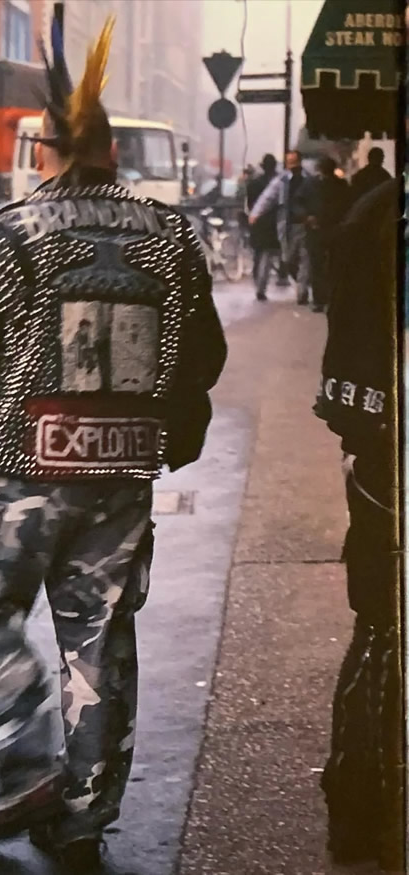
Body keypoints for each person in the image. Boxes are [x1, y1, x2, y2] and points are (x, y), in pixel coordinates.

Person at [0, 15, 227, 874]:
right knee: (100, 638)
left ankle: (25, 761)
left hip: (15, 471)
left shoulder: (4, 234)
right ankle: (83, 817)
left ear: (48, 151)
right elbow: (204, 356)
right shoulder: (173, 238)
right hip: (120, 473)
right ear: (113, 152)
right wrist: (173, 431)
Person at [314, 178, 404, 873]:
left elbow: (344, 345)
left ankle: (359, 811)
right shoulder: (377, 217)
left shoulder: (375, 213)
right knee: (380, 624)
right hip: (384, 457)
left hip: (380, 455)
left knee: (378, 625)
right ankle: (360, 806)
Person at [249, 149, 311, 304]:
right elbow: (268, 197)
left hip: (304, 224)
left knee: (304, 258)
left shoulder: (308, 179)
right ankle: (300, 288)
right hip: (287, 224)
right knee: (289, 259)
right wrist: (256, 213)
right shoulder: (282, 180)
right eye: (289, 162)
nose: (292, 165)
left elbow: (267, 198)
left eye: (293, 162)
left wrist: (255, 214)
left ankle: (302, 292)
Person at [298, 156, 350, 313]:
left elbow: (298, 203)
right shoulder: (339, 185)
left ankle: (322, 300)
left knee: (320, 266)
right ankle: (324, 299)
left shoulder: (312, 184)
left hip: (326, 229)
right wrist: (307, 217)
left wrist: (307, 217)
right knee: (323, 265)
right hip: (325, 229)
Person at [246, 154, 280, 301]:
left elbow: (250, 204)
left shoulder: (253, 183)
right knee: (268, 255)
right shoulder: (279, 183)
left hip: (257, 222)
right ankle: (261, 285)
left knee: (258, 253)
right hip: (273, 223)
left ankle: (258, 282)